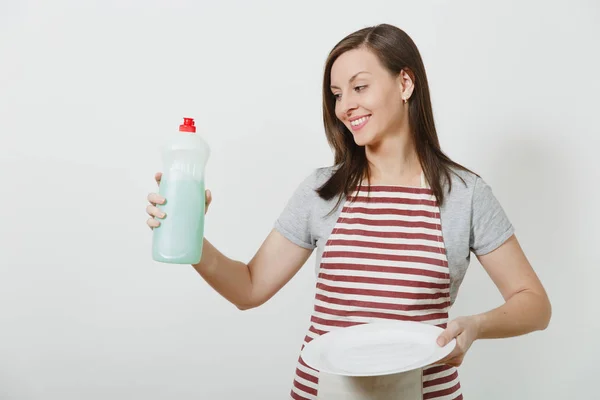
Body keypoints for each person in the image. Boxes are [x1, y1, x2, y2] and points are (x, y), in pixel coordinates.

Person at [146, 23, 551, 400]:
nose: (345, 107)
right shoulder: (323, 190)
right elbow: (249, 289)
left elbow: (534, 303)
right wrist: (187, 235)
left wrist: (476, 326)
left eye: (359, 87)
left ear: (405, 83)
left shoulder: (465, 195)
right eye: (337, 94)